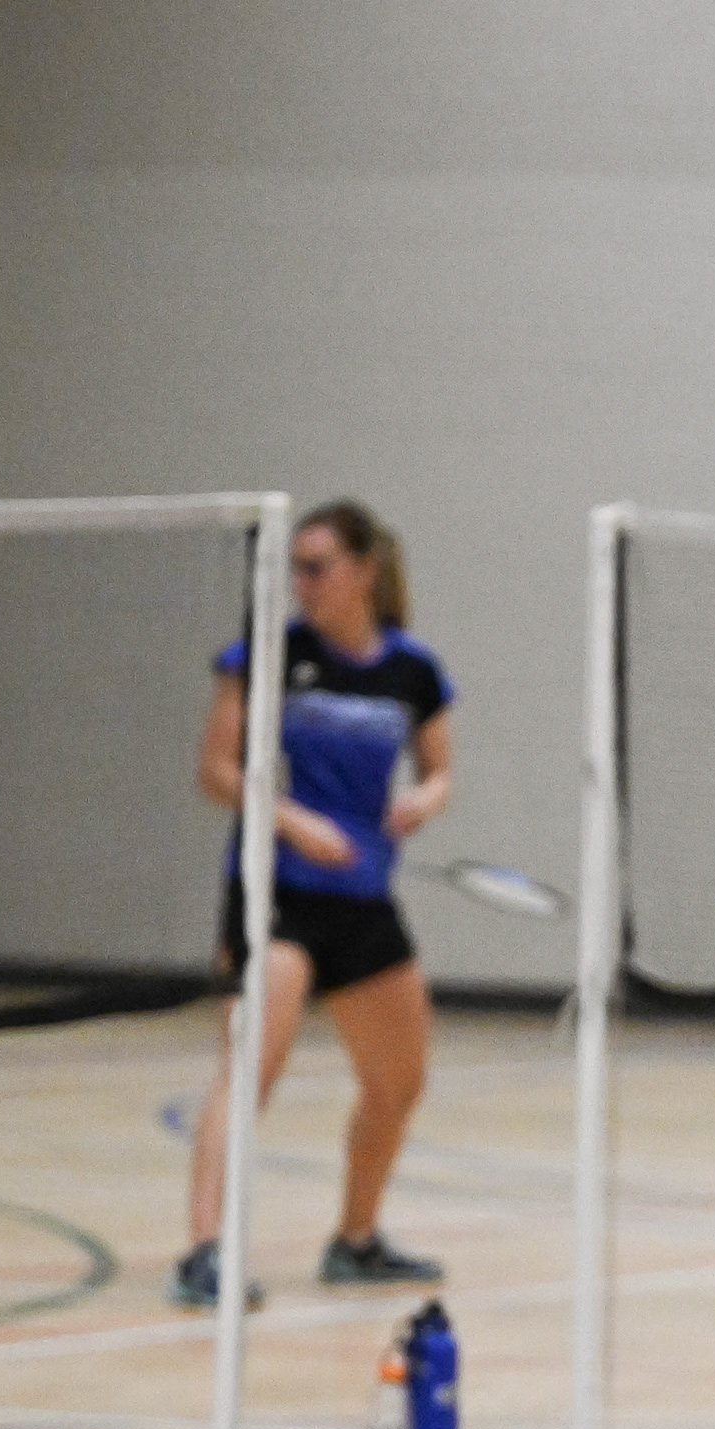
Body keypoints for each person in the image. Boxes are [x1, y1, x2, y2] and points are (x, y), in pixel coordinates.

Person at [171, 498, 454, 1309]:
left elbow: (439, 769)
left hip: (363, 898)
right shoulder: (266, 656)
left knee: (400, 1080)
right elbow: (217, 770)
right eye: (295, 567)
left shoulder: (413, 671)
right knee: (250, 1069)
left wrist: (424, 799)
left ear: (364, 571)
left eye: (316, 567)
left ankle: (356, 1241)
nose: (300, 581)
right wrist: (293, 822)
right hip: (277, 896)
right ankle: (205, 1253)